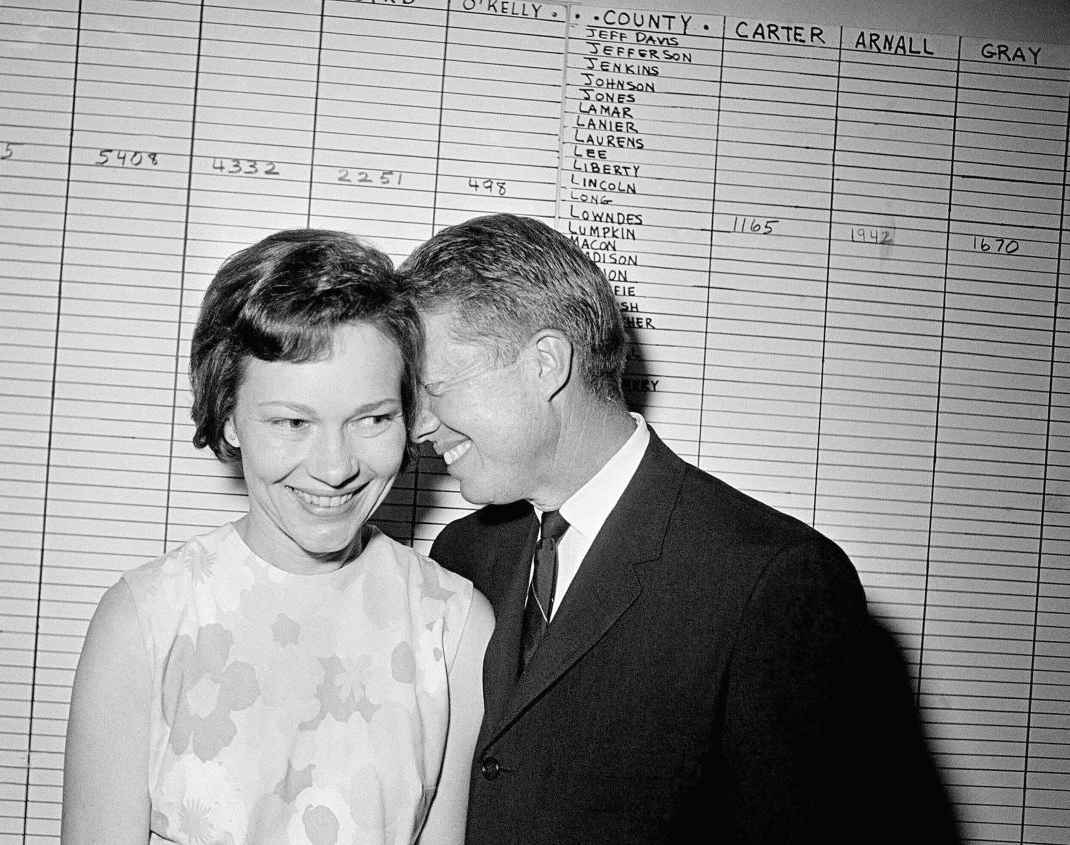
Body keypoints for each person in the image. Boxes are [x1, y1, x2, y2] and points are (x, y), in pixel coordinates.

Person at [399, 213, 958, 844]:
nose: (418, 427)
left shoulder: (773, 582)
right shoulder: (464, 553)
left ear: (545, 363)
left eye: (435, 388)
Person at [62, 230, 493, 845]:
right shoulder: (146, 619)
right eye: (292, 422)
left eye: (372, 419)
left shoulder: (455, 628)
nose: (334, 466)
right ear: (229, 418)